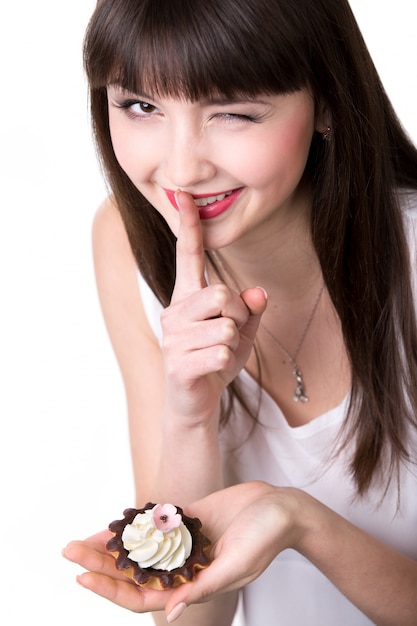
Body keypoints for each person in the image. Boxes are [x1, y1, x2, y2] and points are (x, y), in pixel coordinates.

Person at [63, 0, 417, 624]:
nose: (180, 169)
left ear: (327, 103)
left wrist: (301, 522)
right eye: (141, 106)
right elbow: (190, 615)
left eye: (232, 113)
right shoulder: (129, 239)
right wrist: (190, 417)